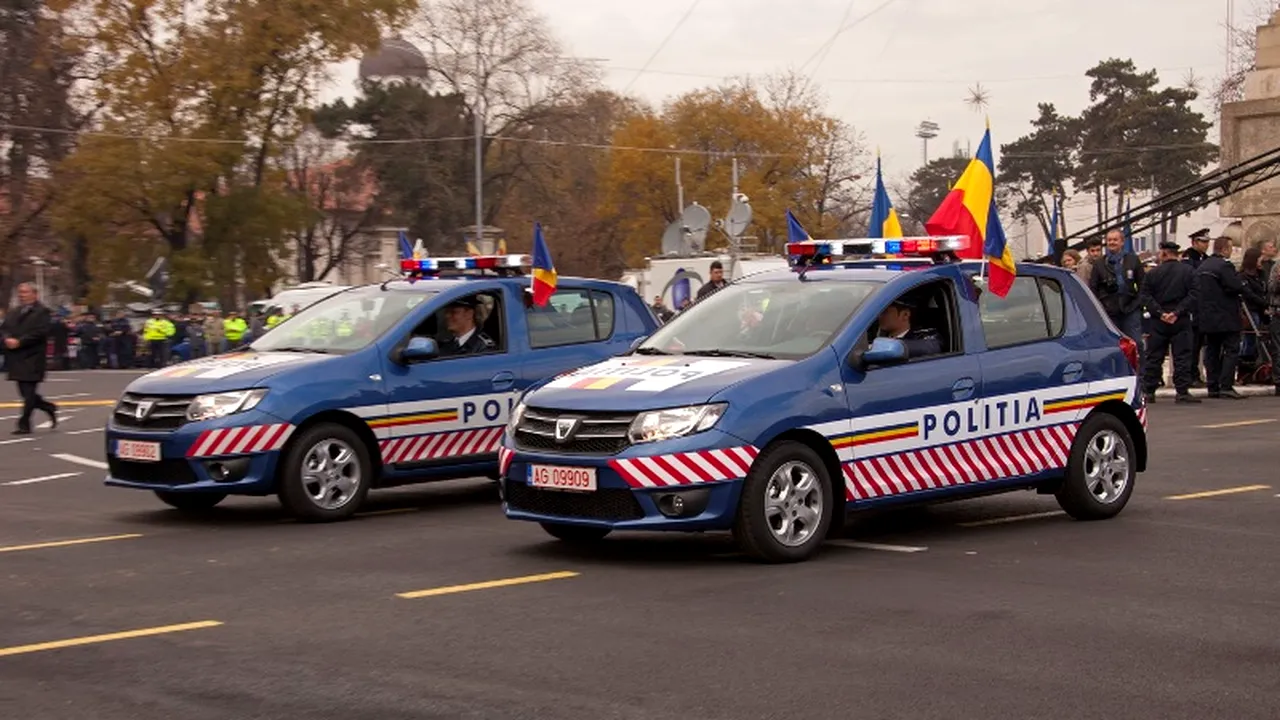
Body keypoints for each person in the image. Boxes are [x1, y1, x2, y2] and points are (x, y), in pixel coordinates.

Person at [1138, 241, 1200, 404]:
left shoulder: (1152, 274)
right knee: (1182, 356)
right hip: (1180, 319)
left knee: (1154, 356)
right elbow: (1194, 295)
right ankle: (1182, 391)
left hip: (1158, 320)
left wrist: (1160, 313)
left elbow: (1145, 296)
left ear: (1164, 254)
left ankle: (1149, 390)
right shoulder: (1188, 272)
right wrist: (1177, 312)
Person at [1195, 236, 1251, 399]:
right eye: (1231, 248)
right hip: (1226, 315)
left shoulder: (1203, 266)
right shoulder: (1224, 266)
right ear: (1225, 249)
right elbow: (1234, 286)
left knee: (1212, 350)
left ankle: (1213, 386)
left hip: (1207, 316)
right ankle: (1226, 385)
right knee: (1231, 350)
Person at [1, 283, 58, 434]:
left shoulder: (42, 312)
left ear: (35, 294)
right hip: (16, 357)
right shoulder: (14, 312)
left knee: (29, 392)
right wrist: (7, 339)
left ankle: (24, 424)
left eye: (25, 292)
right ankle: (48, 407)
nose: (22, 295)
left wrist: (21, 341)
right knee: (25, 393)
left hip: (33, 356)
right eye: (20, 292)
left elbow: (41, 332)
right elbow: (5, 328)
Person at [1089, 229, 1146, 365]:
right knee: (1113, 345)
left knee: (1136, 342)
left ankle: (1141, 376)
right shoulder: (1100, 264)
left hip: (1130, 309)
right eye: (1109, 240)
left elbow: (1143, 284)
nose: (1112, 243)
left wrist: (1138, 303)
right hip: (1109, 311)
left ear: (1122, 242)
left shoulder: (1132, 260)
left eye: (1115, 240)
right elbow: (1093, 288)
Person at [1183, 228, 1212, 385]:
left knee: (1201, 343)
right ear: (1194, 242)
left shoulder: (1206, 259)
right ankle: (1191, 375)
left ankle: (1197, 374)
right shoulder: (1189, 258)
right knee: (1192, 345)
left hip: (1204, 307)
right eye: (1202, 242)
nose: (1206, 245)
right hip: (1193, 307)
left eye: (1207, 242)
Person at [876, 295, 941, 358]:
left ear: (905, 315)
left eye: (885, 311)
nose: (879, 315)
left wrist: (895, 345)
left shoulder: (922, 336)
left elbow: (932, 347)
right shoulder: (877, 334)